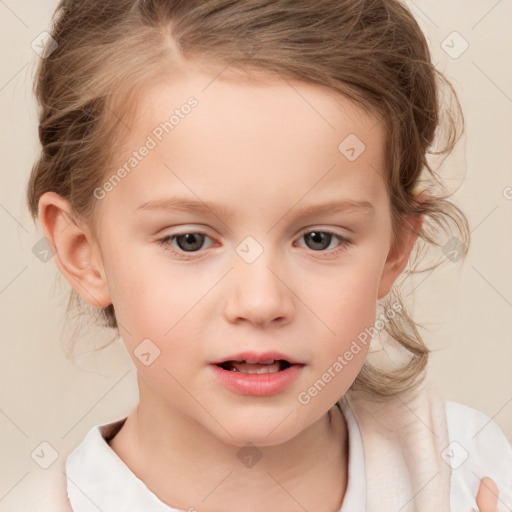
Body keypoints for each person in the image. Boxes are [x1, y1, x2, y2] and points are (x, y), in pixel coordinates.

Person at [25, 0, 511, 511]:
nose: (260, 302)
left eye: (319, 239)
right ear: (84, 253)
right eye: (189, 240)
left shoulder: (471, 471)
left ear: (395, 249)